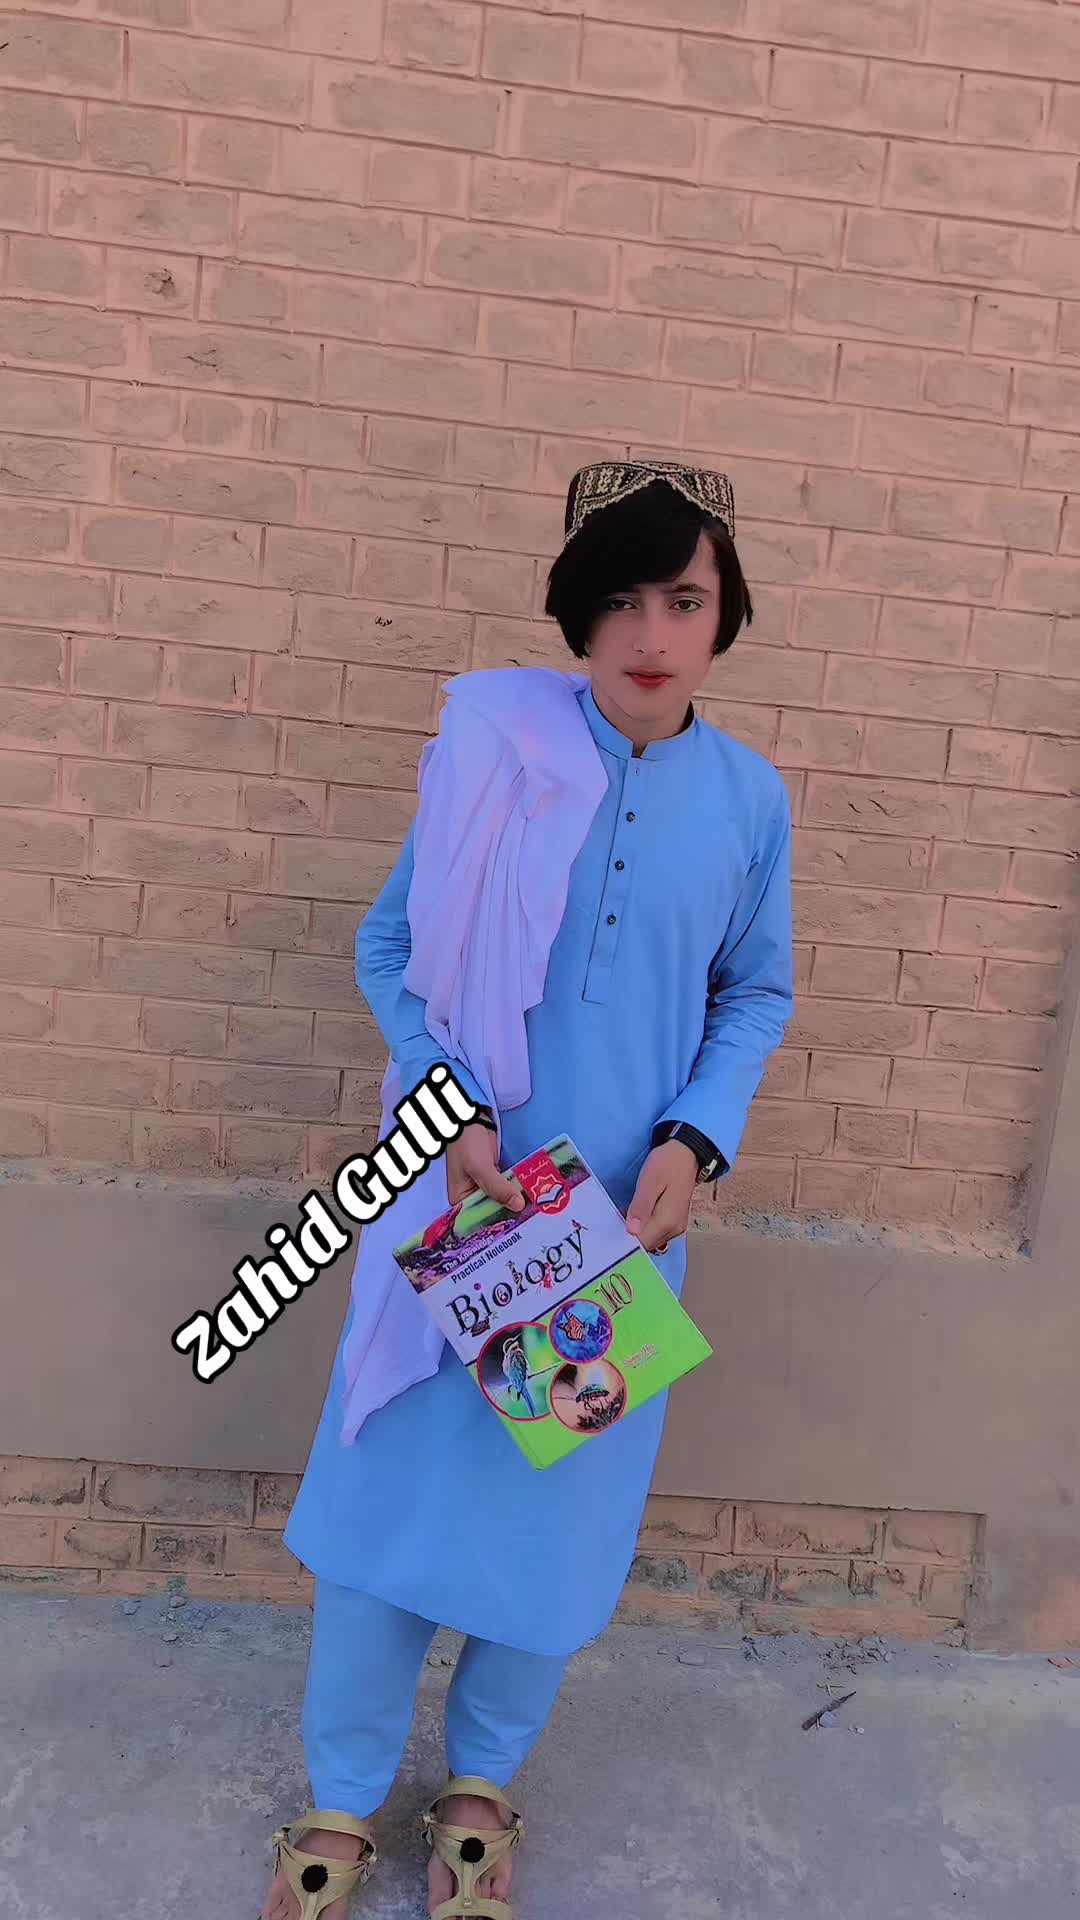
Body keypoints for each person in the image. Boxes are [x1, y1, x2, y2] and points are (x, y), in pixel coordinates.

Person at [261, 461, 794, 1920]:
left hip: (612, 1228)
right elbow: (389, 947)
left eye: (684, 599)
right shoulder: (492, 754)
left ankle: (482, 1787)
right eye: (620, 598)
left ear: (724, 617)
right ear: (576, 612)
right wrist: (453, 1104)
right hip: (459, 1206)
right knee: (389, 1503)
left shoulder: (748, 801)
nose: (651, 633)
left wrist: (695, 1138)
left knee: (555, 1514)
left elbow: (754, 993)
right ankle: (340, 1794)